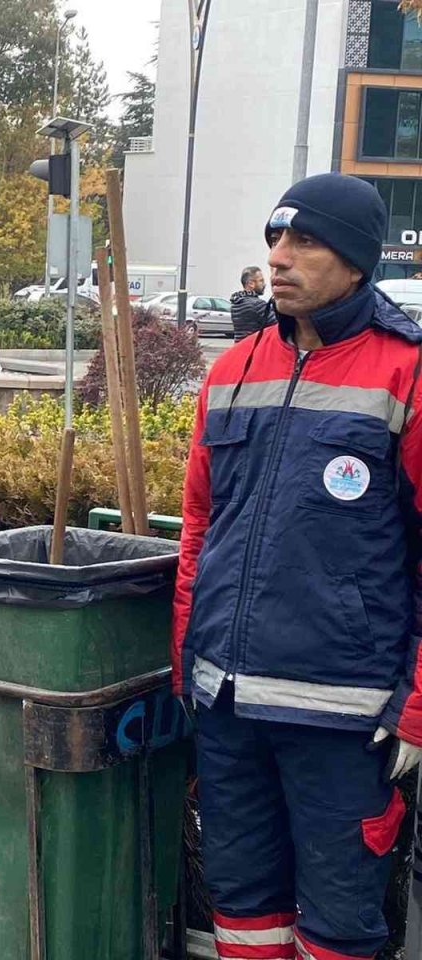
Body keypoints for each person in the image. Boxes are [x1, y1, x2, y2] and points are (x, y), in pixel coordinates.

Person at [174, 173, 422, 960]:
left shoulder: (406, 374)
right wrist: (189, 661)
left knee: (339, 926)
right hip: (228, 703)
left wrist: (416, 707)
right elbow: (200, 527)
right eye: (274, 237)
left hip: (345, 718)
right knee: (244, 908)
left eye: (304, 240)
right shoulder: (232, 370)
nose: (279, 257)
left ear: (356, 261)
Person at [230, 264, 269, 341]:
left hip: (240, 347)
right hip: (254, 349)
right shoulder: (258, 304)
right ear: (251, 284)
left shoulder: (235, 304)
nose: (264, 284)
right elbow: (277, 327)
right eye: (261, 281)